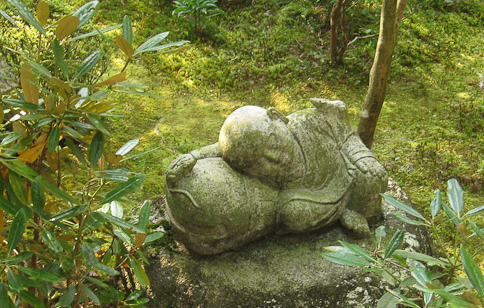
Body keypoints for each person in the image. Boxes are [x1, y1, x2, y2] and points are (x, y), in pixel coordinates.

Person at [164, 98, 387, 254]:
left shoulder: (309, 120)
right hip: (311, 198)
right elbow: (223, 149)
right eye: (261, 161)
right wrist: (193, 157)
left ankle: (356, 209)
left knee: (374, 180)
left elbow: (346, 137)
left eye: (273, 142)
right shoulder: (259, 167)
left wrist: (361, 158)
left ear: (278, 116)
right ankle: (339, 214)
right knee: (293, 214)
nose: (274, 156)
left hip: (344, 168)